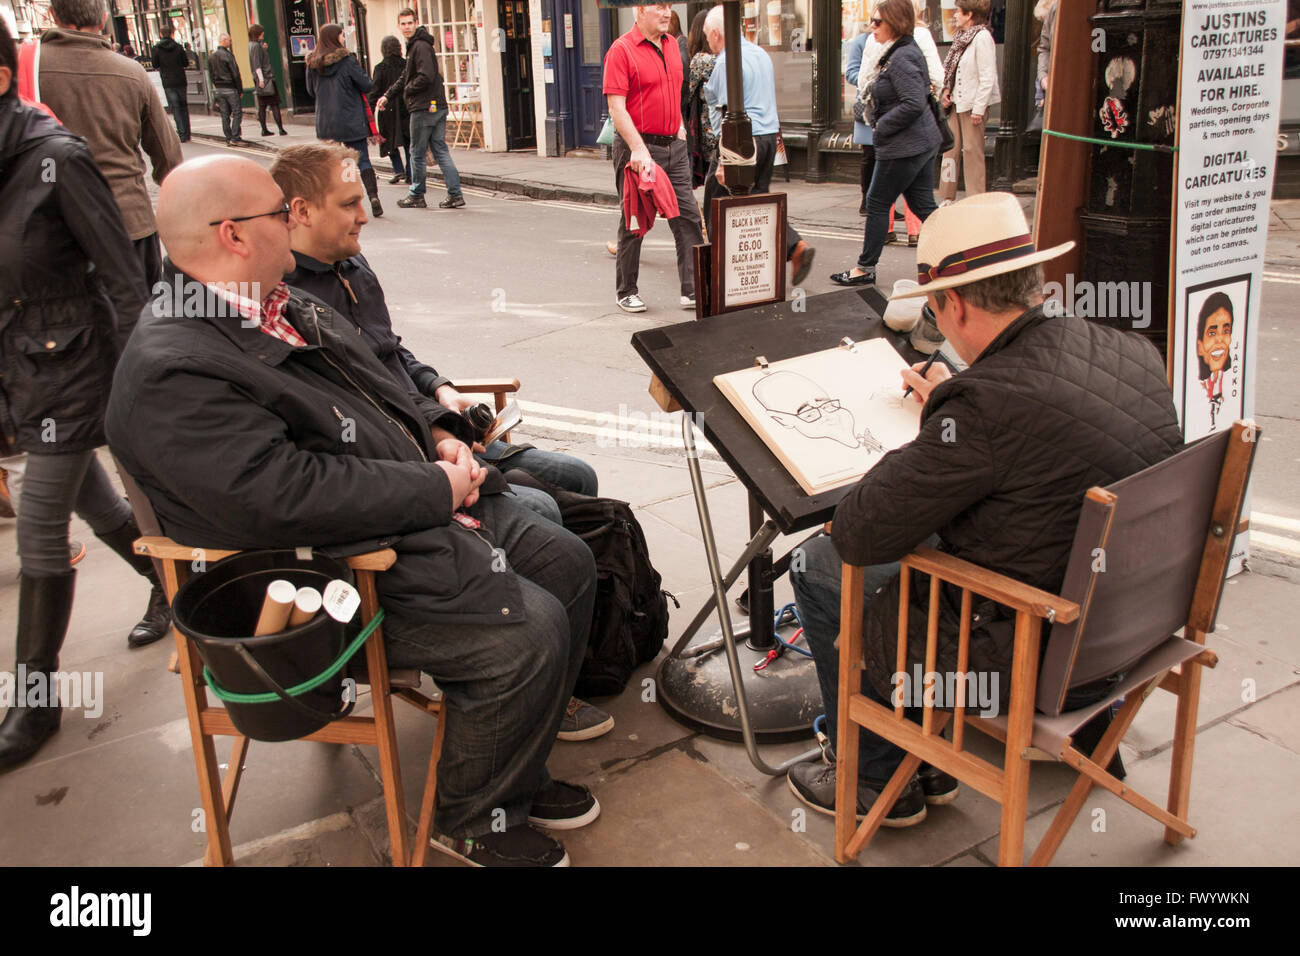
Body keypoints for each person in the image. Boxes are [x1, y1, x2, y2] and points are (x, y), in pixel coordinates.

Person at [107, 154, 603, 867]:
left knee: (569, 559)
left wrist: (435, 432)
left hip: (399, 511)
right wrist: (438, 489)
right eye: (280, 212)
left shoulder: (277, 301)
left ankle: (514, 767)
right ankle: (473, 816)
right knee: (528, 631)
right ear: (234, 235)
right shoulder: (174, 366)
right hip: (319, 578)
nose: (292, 220)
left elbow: (380, 383)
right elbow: (284, 499)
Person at [786, 192, 1184, 824]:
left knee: (817, 564)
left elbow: (860, 532)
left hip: (1043, 659)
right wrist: (955, 406)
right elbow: (1045, 447)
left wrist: (939, 426)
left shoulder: (984, 406)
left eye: (935, 313)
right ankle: (932, 764)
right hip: (1139, 632)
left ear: (958, 304)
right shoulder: (1131, 352)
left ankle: (876, 778)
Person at [269, 142, 613, 742]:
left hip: (433, 436)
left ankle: (554, 678)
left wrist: (441, 390)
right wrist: (435, 445)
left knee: (577, 477)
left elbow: (391, 352)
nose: (365, 215)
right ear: (299, 211)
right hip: (411, 467)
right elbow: (327, 446)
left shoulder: (352, 267)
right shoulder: (286, 303)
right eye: (350, 203)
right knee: (545, 507)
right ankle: (524, 681)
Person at [1, 15, 173, 773]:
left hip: (77, 363)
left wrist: (147, 373)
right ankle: (173, 587)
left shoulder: (56, 158)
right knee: (94, 503)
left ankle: (33, 704)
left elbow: (124, 278)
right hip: (24, 366)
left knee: (40, 523)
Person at [38, 0, 182, 287]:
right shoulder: (131, 72)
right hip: (128, 222)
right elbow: (168, 155)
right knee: (139, 321)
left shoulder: (26, 69)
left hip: (53, 226)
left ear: (52, 15)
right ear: (104, 19)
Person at [701, 5, 814, 287]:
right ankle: (795, 246)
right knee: (760, 202)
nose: (708, 43)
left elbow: (729, 113)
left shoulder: (727, 62)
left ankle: (722, 272)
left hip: (741, 141)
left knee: (715, 204)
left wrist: (726, 159)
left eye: (707, 36)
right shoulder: (760, 53)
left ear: (716, 33)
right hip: (767, 138)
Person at [829, 0, 939, 288]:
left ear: (896, 22)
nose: (871, 27)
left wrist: (881, 126)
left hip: (905, 145)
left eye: (877, 22)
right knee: (924, 205)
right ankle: (961, 256)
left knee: (877, 202)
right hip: (919, 142)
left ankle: (865, 268)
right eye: (871, 21)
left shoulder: (902, 57)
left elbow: (914, 102)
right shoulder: (900, 50)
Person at [603, 3, 704, 314]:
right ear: (641, 9)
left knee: (687, 217)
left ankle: (691, 289)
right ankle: (626, 290)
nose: (667, 12)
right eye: (660, 6)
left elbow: (675, 95)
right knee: (635, 220)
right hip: (638, 148)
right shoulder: (621, 50)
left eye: (670, 6)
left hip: (674, 146)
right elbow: (616, 108)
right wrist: (637, 148)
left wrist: (681, 132)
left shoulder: (673, 45)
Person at [374, 7, 465, 211]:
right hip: (435, 106)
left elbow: (426, 75)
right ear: (399, 26)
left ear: (416, 23)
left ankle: (416, 194)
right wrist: (388, 96)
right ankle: (455, 194)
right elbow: (406, 75)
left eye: (410, 23)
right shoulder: (415, 45)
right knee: (440, 150)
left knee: (416, 152)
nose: (406, 27)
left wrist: (407, 91)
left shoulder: (420, 46)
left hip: (425, 107)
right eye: (403, 23)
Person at [305, 23, 382, 218]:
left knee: (333, 163)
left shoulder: (313, 63)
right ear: (335, 37)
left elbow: (310, 91)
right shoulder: (347, 60)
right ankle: (373, 197)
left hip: (326, 122)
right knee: (361, 159)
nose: (342, 38)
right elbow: (366, 84)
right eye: (341, 35)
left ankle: (342, 203)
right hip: (350, 119)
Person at [938, 0, 998, 203]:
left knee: (972, 152)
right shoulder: (960, 37)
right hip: (956, 103)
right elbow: (952, 71)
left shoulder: (982, 38)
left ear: (969, 14)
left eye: (958, 11)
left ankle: (976, 200)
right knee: (950, 151)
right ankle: (946, 197)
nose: (954, 14)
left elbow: (987, 76)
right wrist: (946, 90)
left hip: (973, 105)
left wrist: (979, 109)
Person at [685, 9, 721, 226]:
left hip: (708, 126)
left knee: (712, 180)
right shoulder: (723, 58)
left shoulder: (701, 60)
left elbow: (687, 93)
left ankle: (710, 227)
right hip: (722, 124)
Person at [370, 35, 411, 184]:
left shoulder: (380, 68)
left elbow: (374, 91)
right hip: (405, 107)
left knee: (388, 141)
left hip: (386, 109)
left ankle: (398, 170)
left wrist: (369, 108)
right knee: (407, 141)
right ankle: (410, 173)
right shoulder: (406, 65)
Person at [151, 24, 191, 142]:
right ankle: (188, 133)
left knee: (176, 108)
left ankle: (182, 134)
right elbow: (185, 63)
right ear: (172, 33)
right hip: (180, 80)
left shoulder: (156, 48)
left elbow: (155, 64)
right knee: (184, 106)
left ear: (161, 34)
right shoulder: (178, 47)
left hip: (168, 81)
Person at [248, 24, 287, 137]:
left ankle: (265, 129)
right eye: (261, 32)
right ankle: (280, 129)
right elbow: (257, 65)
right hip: (266, 79)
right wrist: (261, 80)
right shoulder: (256, 46)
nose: (263, 34)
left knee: (262, 105)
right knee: (274, 104)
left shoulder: (252, 45)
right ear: (258, 34)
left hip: (261, 79)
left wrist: (263, 49)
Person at [208, 33, 245, 146]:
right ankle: (235, 137)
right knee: (237, 112)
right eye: (229, 40)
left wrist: (216, 85)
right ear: (223, 41)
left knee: (224, 114)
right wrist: (240, 89)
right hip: (230, 88)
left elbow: (211, 74)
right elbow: (235, 73)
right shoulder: (228, 55)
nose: (231, 42)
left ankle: (228, 137)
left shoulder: (211, 57)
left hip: (219, 89)